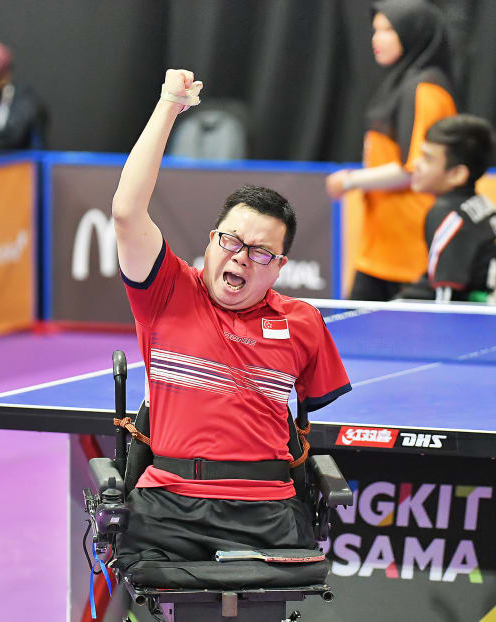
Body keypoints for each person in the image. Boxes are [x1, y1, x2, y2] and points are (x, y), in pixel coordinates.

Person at [110, 69, 352, 567]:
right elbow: (127, 212)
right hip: (168, 503)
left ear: (279, 267)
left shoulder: (303, 321)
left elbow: (307, 422)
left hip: (268, 509)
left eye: (260, 252)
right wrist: (169, 105)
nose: (240, 257)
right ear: (211, 240)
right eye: (231, 241)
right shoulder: (167, 293)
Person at [325, 0, 457, 301]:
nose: (376, 39)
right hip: (381, 245)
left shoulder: (425, 90)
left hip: (411, 249)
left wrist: (349, 181)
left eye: (388, 30)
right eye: (375, 30)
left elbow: (414, 169)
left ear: (413, 33)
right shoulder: (402, 83)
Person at [397, 114, 496, 302]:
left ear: (457, 174)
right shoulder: (483, 204)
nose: (416, 164)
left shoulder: (447, 215)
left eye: (427, 159)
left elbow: (446, 298)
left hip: (478, 312)